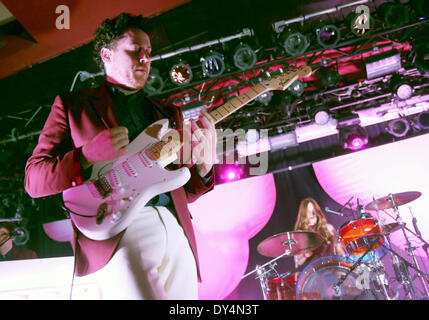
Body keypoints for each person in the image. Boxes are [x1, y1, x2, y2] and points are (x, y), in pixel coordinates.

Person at [24, 13, 216, 299]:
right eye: (134, 50)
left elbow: (181, 191)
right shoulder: (72, 106)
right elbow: (33, 180)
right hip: (118, 233)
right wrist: (86, 155)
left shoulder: (166, 112)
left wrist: (204, 165)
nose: (144, 58)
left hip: (175, 227)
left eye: (149, 52)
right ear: (106, 54)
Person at [294, 198, 346, 269]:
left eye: (313, 211)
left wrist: (344, 261)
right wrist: (305, 255)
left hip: (334, 266)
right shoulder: (300, 234)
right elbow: (298, 262)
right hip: (317, 273)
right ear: (304, 214)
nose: (312, 214)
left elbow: (339, 250)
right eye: (308, 211)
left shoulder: (329, 228)